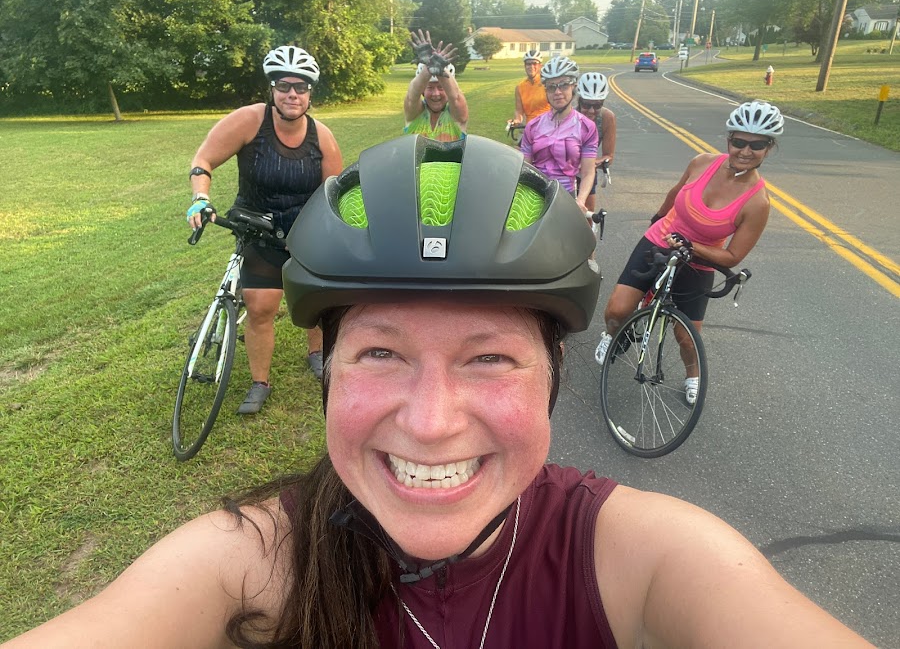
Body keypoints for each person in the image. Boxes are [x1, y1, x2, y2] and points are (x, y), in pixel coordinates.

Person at [5, 135, 874, 649]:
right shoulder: (258, 555)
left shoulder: (641, 552)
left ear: (551, 383)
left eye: (490, 359)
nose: (428, 421)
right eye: (379, 352)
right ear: (328, 370)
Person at [185, 45, 343, 410]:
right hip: (257, 228)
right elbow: (204, 160)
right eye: (284, 86)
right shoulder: (249, 121)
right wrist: (200, 197)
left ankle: (316, 353)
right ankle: (260, 382)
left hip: (305, 232)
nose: (292, 94)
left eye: (301, 87)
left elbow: (333, 193)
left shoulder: (323, 137)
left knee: (317, 301)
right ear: (272, 89)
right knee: (260, 307)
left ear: (310, 92)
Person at [594, 101, 783, 405]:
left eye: (757, 144)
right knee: (616, 311)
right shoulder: (701, 162)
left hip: (702, 259)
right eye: (739, 141)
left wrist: (692, 247)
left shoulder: (757, 203)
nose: (745, 151)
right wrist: (657, 218)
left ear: (769, 147)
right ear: (728, 140)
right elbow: (675, 193)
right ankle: (618, 335)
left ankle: (692, 375)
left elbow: (733, 256)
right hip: (660, 241)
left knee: (686, 337)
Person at [520, 55, 598, 213]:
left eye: (563, 85)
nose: (557, 92)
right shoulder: (533, 126)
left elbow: (588, 171)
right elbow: (525, 168)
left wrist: (581, 200)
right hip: (534, 196)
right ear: (546, 90)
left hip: (566, 196)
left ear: (573, 87)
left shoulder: (586, 127)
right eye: (551, 87)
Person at [403, 29, 468, 142]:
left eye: (441, 87)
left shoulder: (457, 116)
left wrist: (440, 68)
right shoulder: (414, 115)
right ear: (423, 91)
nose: (436, 94)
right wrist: (428, 68)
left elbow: (456, 97)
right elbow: (411, 97)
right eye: (430, 87)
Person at [575, 72, 617, 213]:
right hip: (563, 169)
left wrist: (592, 163)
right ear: (579, 101)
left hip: (587, 171)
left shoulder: (606, 117)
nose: (592, 111)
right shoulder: (568, 115)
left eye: (598, 105)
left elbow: (609, 156)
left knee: (588, 212)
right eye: (586, 105)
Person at [509, 49, 551, 126]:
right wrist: (517, 120)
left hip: (547, 125)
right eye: (528, 64)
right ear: (525, 66)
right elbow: (519, 111)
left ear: (540, 66)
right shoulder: (520, 87)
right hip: (530, 127)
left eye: (534, 63)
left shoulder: (547, 83)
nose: (531, 66)